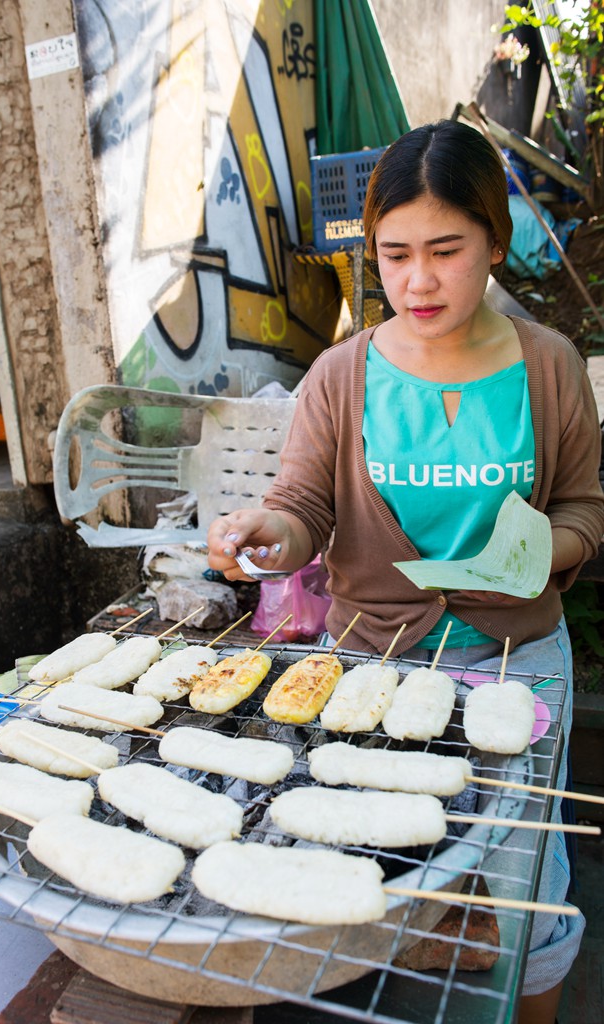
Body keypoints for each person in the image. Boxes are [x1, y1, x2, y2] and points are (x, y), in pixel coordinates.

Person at [206, 119, 604, 1023]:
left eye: (446, 249)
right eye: (394, 254)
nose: (417, 280)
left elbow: (586, 506)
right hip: (372, 665)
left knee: (525, 875)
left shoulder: (547, 368)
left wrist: (552, 546)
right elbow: (303, 506)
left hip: (517, 665)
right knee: (371, 854)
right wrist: (267, 528)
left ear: (495, 242)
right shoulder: (341, 377)